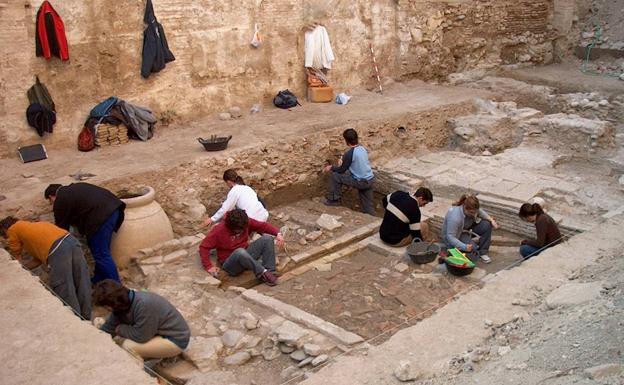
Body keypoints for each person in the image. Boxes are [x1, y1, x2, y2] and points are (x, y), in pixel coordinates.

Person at [0, 216, 91, 320]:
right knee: (81, 281)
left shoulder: (13, 228)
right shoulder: (33, 227)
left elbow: (15, 253)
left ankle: (76, 320)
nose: (7, 238)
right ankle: (87, 317)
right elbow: (38, 260)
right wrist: (23, 268)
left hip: (57, 249)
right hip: (71, 241)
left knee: (64, 286)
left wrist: (14, 267)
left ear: (4, 229)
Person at [44, 183, 125, 283]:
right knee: (100, 251)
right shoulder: (75, 188)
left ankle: (117, 286)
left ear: (51, 196)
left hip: (101, 217)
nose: (52, 204)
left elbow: (61, 229)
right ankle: (99, 279)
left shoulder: (61, 199)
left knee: (101, 254)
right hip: (114, 209)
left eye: (50, 201)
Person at [93, 279, 190, 360]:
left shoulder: (144, 305)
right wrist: (98, 338)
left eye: (107, 307)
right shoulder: (123, 301)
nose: (107, 310)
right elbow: (111, 325)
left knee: (128, 346)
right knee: (103, 324)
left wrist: (119, 329)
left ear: (114, 304)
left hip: (175, 340)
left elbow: (141, 337)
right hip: (157, 332)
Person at [199, 209, 284, 286]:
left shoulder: (244, 222)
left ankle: (270, 271)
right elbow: (204, 247)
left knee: (267, 239)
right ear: (232, 227)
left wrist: (278, 234)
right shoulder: (219, 230)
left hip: (246, 254)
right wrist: (208, 266)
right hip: (231, 264)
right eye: (240, 230)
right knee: (240, 252)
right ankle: (263, 274)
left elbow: (262, 226)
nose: (243, 230)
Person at [323, 128, 375, 215]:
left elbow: (341, 170)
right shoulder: (362, 149)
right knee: (368, 205)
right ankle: (370, 215)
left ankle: (334, 200)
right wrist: (344, 160)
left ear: (346, 140)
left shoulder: (350, 154)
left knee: (335, 176)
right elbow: (357, 162)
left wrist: (331, 167)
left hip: (361, 182)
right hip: (370, 179)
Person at [441, 194, 499, 264]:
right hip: (456, 235)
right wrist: (464, 247)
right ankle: (462, 245)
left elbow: (480, 212)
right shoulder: (455, 217)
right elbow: (450, 237)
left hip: (466, 228)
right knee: (473, 249)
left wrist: (491, 220)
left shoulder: (472, 209)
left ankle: (483, 252)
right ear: (465, 208)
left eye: (475, 212)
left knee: (487, 225)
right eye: (471, 212)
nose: (474, 214)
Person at [203, 169, 268, 227]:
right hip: (263, 215)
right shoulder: (247, 188)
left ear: (228, 182)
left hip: (252, 220)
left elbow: (225, 208)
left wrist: (212, 219)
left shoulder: (234, 191)